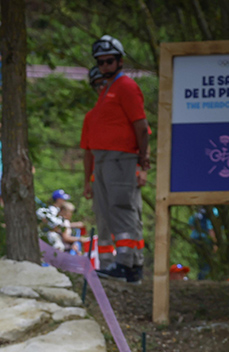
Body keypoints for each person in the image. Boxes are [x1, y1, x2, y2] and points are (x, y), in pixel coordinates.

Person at [84, 35, 151, 284]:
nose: (104, 67)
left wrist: (143, 159)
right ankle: (127, 266)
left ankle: (126, 265)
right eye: (100, 63)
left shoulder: (126, 86)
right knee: (111, 210)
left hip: (120, 159)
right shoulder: (109, 89)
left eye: (109, 61)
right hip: (104, 160)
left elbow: (141, 126)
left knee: (123, 209)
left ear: (120, 61)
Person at [81, 66, 115, 267]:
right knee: (103, 222)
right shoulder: (91, 117)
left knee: (125, 220)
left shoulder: (125, 112)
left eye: (104, 83)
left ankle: (128, 263)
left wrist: (140, 169)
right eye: (97, 85)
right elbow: (87, 152)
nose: (101, 88)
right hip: (99, 179)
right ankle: (106, 262)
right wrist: (87, 181)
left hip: (122, 176)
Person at [189, 207, 218, 280]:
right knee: (208, 259)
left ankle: (202, 276)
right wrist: (215, 243)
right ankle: (205, 277)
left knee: (201, 258)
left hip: (195, 238)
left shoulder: (197, 213)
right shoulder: (213, 211)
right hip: (206, 239)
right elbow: (211, 228)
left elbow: (191, 226)